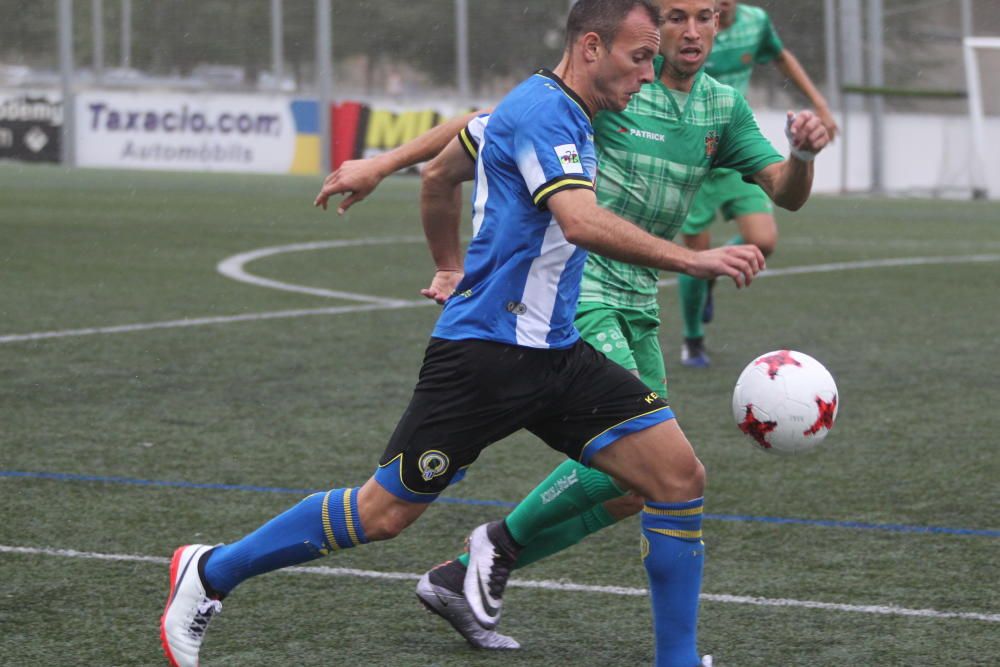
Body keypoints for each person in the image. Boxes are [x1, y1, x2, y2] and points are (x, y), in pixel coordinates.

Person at [160, 2, 770, 666]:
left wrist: (445, 257)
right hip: (484, 357)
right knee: (382, 514)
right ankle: (211, 570)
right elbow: (582, 222)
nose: (648, 76)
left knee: (677, 476)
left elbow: (440, 172)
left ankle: (676, 661)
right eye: (638, 58)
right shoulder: (547, 114)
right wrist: (695, 258)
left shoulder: (561, 105)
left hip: (557, 354)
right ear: (591, 48)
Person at [315, 0, 830, 659]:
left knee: (639, 484)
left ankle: (477, 562)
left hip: (639, 292)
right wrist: (383, 163)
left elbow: (784, 189)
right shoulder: (614, 82)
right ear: (650, 28)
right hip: (577, 287)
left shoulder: (719, 108)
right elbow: (485, 123)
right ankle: (496, 555)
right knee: (663, 469)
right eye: (677, 17)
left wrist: (802, 154)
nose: (694, 31)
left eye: (707, 17)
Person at [678, 0, 839, 367]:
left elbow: (782, 58)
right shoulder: (690, 25)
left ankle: (716, 272)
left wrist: (820, 105)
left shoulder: (756, 22)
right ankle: (693, 340)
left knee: (764, 240)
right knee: (695, 255)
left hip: (734, 147)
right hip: (692, 154)